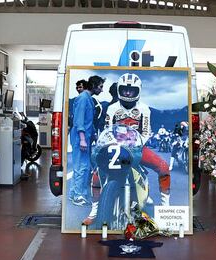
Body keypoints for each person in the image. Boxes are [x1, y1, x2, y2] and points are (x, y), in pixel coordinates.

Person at [83, 73, 171, 224]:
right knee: (97, 172)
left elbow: (146, 132)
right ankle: (95, 209)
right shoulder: (112, 108)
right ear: (119, 90)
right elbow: (107, 129)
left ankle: (165, 208)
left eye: (131, 91)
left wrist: (135, 143)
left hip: (136, 147)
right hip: (115, 147)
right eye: (124, 90)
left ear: (138, 91)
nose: (128, 93)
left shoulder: (144, 109)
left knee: (163, 166)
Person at [69, 76, 105, 206]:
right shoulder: (83, 98)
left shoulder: (88, 98)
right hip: (80, 137)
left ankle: (73, 193)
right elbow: (79, 120)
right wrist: (83, 139)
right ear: (94, 85)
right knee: (82, 167)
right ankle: (78, 196)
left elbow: (88, 120)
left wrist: (94, 134)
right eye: (100, 87)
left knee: (81, 165)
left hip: (86, 136)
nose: (102, 90)